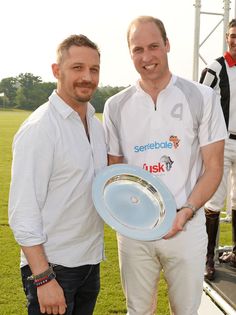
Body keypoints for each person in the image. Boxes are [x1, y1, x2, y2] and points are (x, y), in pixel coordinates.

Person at [103, 16, 227, 315]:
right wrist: (128, 217)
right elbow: (115, 172)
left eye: (154, 46)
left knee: (185, 311)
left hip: (186, 226)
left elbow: (213, 167)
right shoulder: (115, 105)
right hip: (135, 232)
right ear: (129, 53)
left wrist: (185, 211)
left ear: (167, 45)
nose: (147, 57)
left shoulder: (202, 96)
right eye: (138, 49)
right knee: (138, 311)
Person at [8, 34, 107, 315]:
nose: (87, 77)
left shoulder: (95, 125)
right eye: (77, 68)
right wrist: (43, 277)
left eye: (94, 69)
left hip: (89, 264)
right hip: (53, 269)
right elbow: (22, 212)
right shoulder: (40, 128)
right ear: (56, 71)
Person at [199, 19, 236, 281]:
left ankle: (235, 252)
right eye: (233, 35)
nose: (235, 40)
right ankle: (207, 259)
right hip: (222, 143)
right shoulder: (215, 67)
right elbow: (199, 102)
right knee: (213, 201)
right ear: (226, 37)